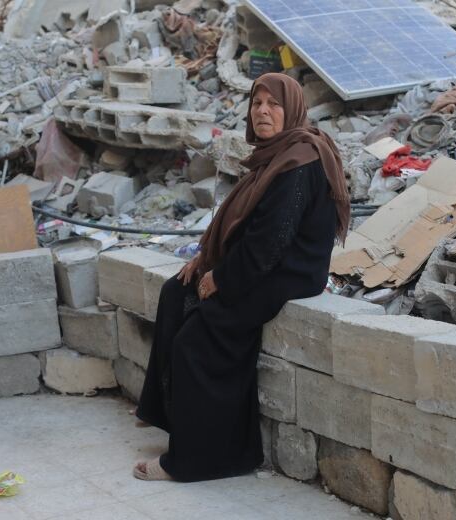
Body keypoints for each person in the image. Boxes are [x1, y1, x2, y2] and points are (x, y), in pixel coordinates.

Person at [132, 72, 350, 482]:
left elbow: (271, 244)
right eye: (257, 103)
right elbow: (245, 226)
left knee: (198, 340)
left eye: (274, 104)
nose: (263, 111)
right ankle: (167, 414)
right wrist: (205, 259)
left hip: (288, 274)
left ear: (293, 110)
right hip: (261, 264)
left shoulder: (299, 161)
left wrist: (223, 279)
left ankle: (201, 459)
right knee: (174, 293)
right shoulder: (276, 155)